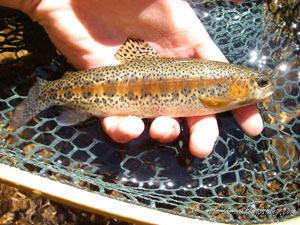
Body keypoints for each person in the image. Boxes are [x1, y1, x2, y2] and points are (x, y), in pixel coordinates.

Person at [0, 0, 261, 158]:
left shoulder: (223, 84)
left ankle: (43, 98)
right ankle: (44, 95)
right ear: (236, 84)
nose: (262, 87)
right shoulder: (222, 90)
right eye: (260, 84)